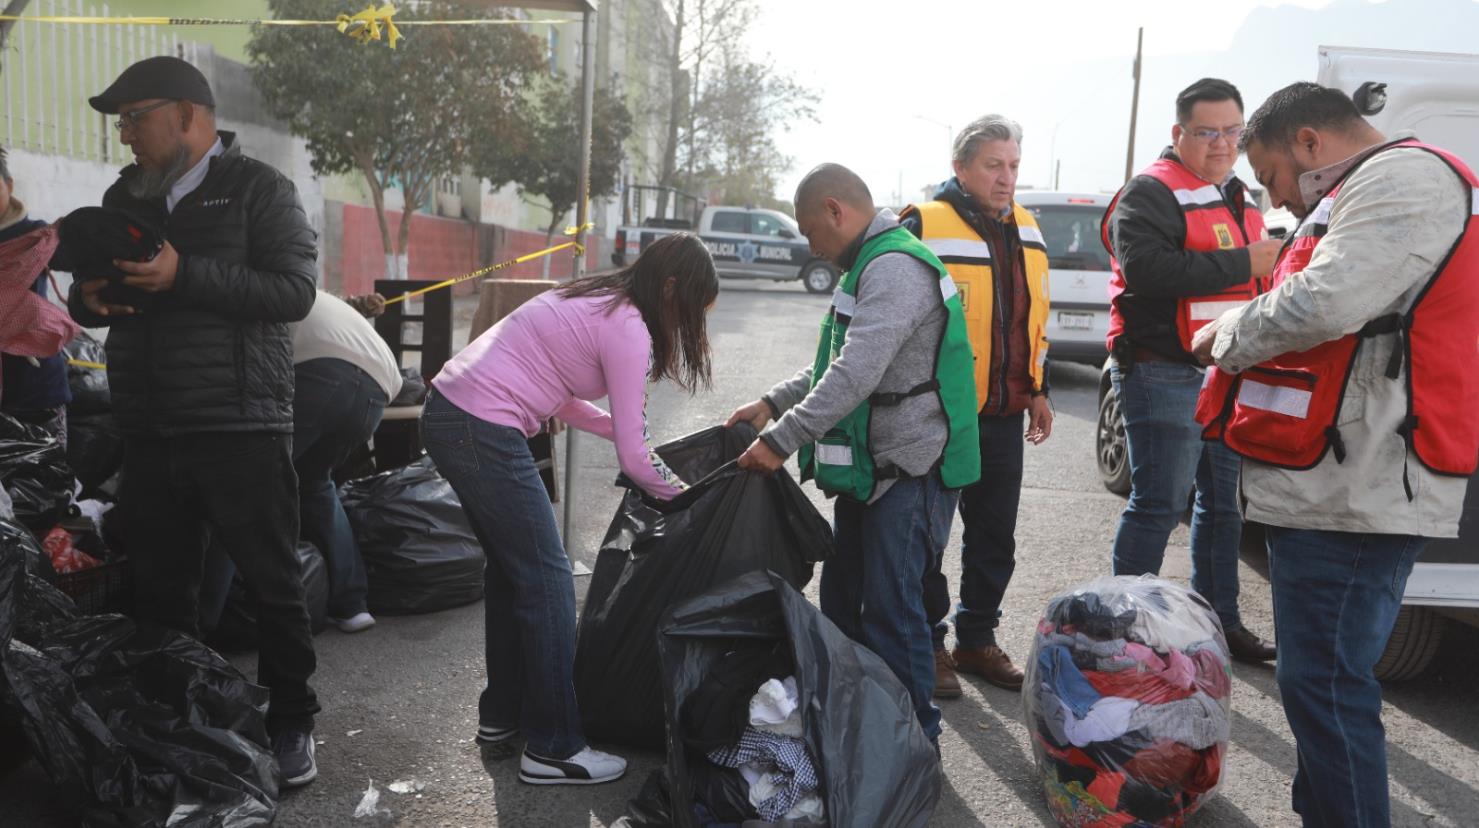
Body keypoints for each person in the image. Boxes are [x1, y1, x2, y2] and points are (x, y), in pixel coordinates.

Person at [1193, 82, 1479, 827]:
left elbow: (1326, 300)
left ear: (1310, 143)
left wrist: (1225, 334)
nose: (1276, 201)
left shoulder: (1404, 177)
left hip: (1360, 488)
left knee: (1324, 686)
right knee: (1315, 683)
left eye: (1272, 177)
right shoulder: (1366, 186)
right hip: (1336, 480)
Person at [67, 56, 321, 785]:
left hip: (239, 421)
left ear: (187, 115)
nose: (127, 137)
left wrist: (186, 274)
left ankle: (293, 720)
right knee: (162, 588)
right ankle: (182, 715)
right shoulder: (127, 195)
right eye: (120, 124)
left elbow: (293, 291)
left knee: (273, 582)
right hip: (149, 425)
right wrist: (91, 299)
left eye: (135, 119)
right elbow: (90, 294)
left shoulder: (260, 190)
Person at [422, 232, 718, 786]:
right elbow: (635, 458)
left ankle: (502, 717)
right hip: (480, 426)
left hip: (455, 414)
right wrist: (690, 495)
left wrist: (628, 439)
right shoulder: (628, 325)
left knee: (514, 576)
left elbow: (559, 397)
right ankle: (554, 745)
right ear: (671, 286)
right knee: (549, 576)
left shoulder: (594, 298)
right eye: (688, 309)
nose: (684, 327)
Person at [727, 163, 980, 746]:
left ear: (836, 211)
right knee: (845, 605)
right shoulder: (865, 265)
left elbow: (856, 373)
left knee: (894, 613)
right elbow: (831, 364)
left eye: (810, 229)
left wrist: (780, 440)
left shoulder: (893, 267)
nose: (809, 243)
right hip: (871, 472)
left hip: (910, 474)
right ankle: (864, 725)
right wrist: (770, 402)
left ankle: (916, 742)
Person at [1102, 78, 1281, 663]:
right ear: (1179, 133)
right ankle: (1123, 629)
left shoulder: (1237, 191)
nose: (1223, 143)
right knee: (1159, 502)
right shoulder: (1149, 192)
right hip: (1161, 369)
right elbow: (1147, 270)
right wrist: (1244, 260)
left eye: (1233, 131)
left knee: (1223, 504)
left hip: (1224, 370)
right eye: (1208, 132)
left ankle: (1219, 624)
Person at [899, 115, 1054, 697]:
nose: (1006, 177)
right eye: (994, 165)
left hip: (1006, 414)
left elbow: (1034, 319)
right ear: (961, 167)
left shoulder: (1031, 230)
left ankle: (976, 638)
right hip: (939, 415)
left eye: (1013, 165)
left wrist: (1038, 388)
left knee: (995, 537)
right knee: (928, 539)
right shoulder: (922, 224)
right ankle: (930, 644)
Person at [198, 290, 402, 635]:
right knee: (314, 482)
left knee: (242, 492)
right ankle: (352, 605)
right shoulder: (302, 289)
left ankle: (198, 628)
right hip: (379, 385)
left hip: (321, 371)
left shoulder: (243, 295)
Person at [0, 145, 72, 442]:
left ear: (9, 185)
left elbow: (78, 260)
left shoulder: (34, 236)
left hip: (35, 389)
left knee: (42, 484)